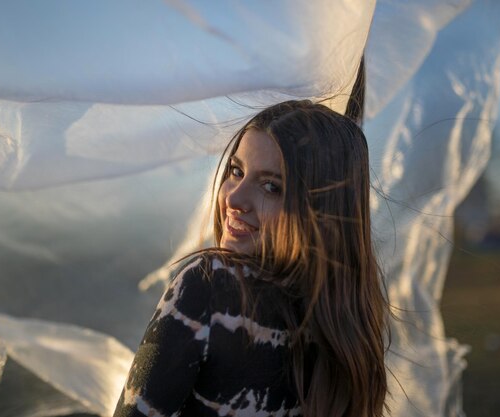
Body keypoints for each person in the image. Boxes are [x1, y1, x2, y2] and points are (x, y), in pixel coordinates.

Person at [113, 99, 389, 417]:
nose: (233, 197)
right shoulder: (353, 323)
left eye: (271, 186)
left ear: (320, 211)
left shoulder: (209, 287)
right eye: (236, 171)